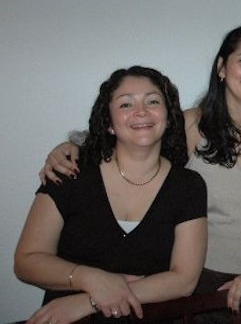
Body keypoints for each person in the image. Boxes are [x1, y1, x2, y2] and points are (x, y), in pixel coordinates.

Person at [39, 23, 241, 323]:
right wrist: (71, 146)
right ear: (221, 67)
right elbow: (137, 138)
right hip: (189, 281)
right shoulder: (193, 124)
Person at [15, 66, 208, 324]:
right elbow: (27, 261)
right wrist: (91, 278)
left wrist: (91, 300)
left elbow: (184, 280)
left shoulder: (188, 186)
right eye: (126, 104)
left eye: (152, 101)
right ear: (109, 123)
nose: (141, 111)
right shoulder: (70, 171)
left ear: (169, 116)